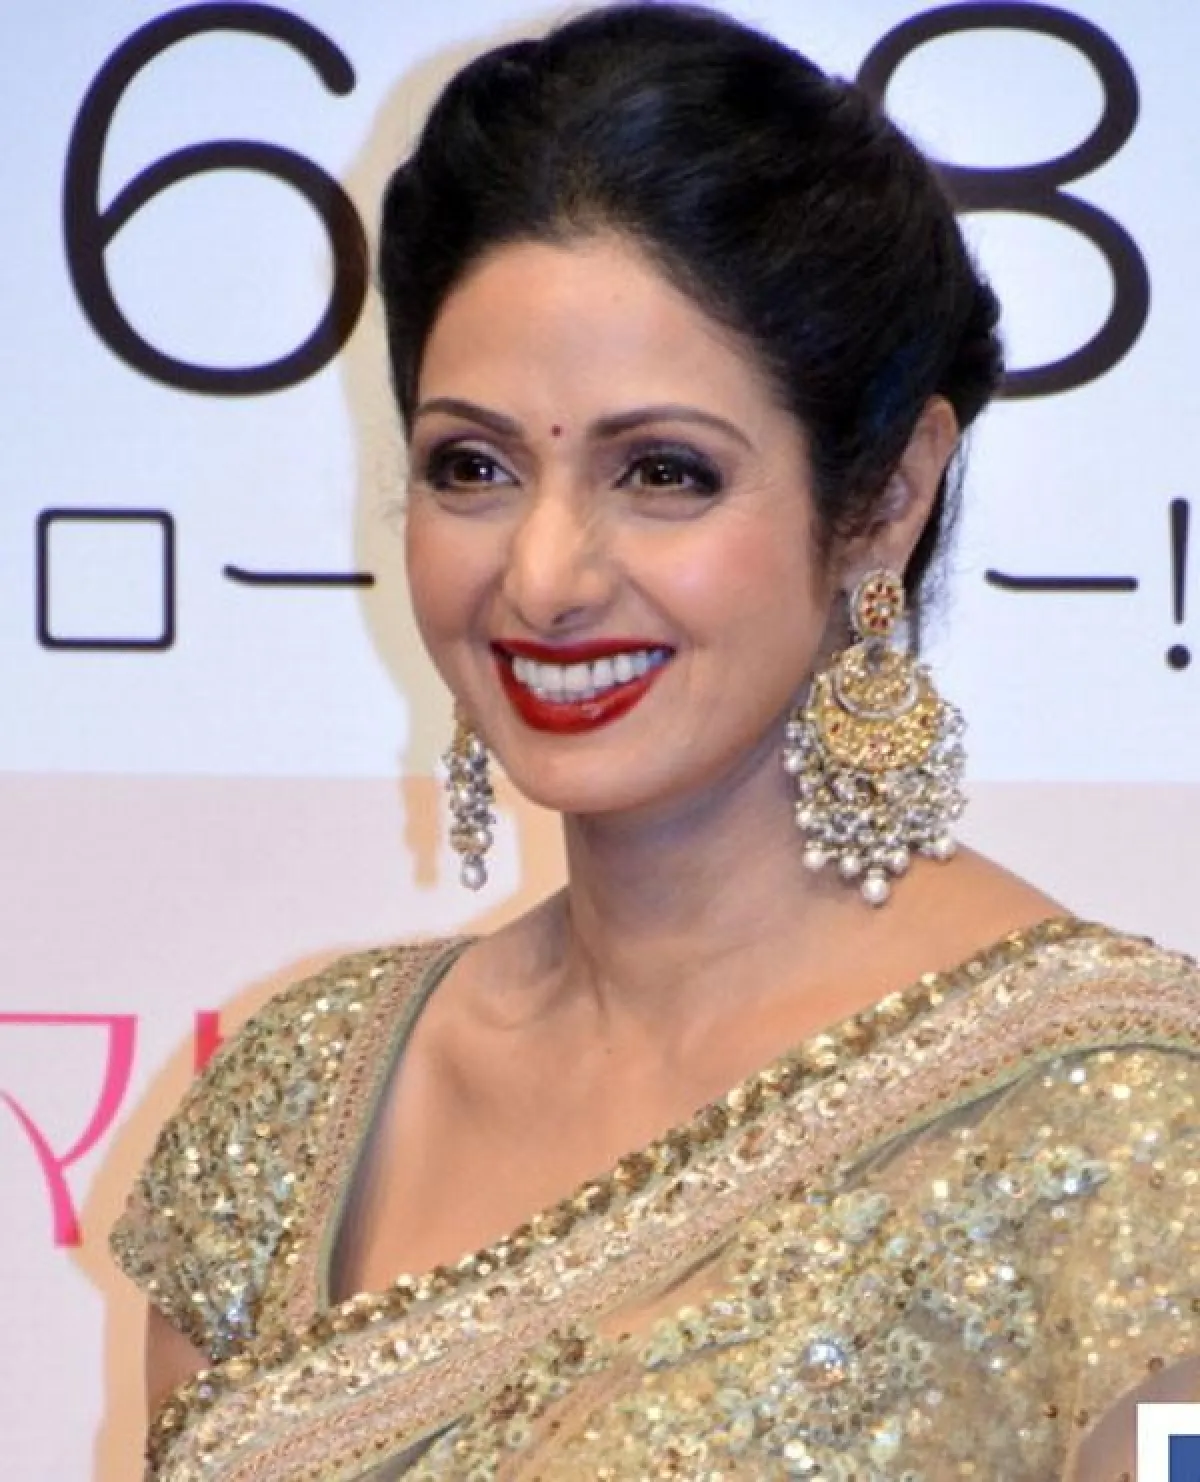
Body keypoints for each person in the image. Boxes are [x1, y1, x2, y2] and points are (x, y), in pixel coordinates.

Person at [110, 5, 1200, 1478]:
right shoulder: (296, 1105)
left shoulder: (1131, 1129)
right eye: (473, 465)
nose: (545, 575)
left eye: (666, 472)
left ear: (884, 500)